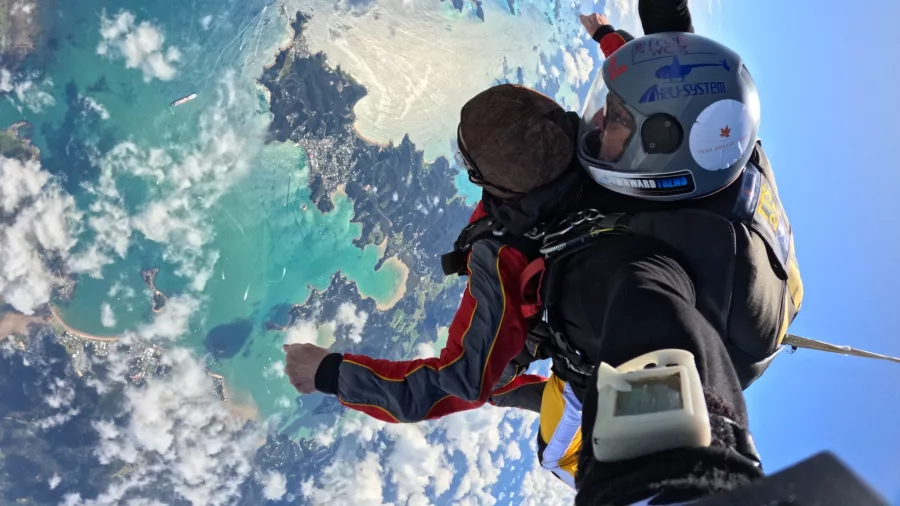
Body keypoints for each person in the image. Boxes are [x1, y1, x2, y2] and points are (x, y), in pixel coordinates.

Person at [285, 1, 804, 503]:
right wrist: (608, 37)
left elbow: (456, 381)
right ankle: (515, 384)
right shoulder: (721, 147)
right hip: (743, 285)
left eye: (616, 117)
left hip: (671, 346)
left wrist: (328, 373)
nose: (599, 121)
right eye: (609, 106)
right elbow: (672, 78)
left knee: (553, 452)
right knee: (505, 378)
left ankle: (534, 391)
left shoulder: (575, 266)